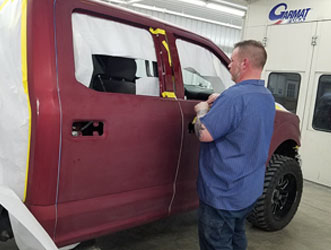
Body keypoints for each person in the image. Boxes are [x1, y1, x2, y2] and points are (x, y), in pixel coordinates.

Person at [194, 40, 275, 250]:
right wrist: (223, 101)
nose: (229, 65)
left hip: (222, 194)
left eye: (232, 61)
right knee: (237, 236)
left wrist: (202, 110)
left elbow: (204, 134)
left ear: (244, 63)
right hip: (247, 191)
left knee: (217, 243)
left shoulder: (233, 97)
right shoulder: (266, 96)